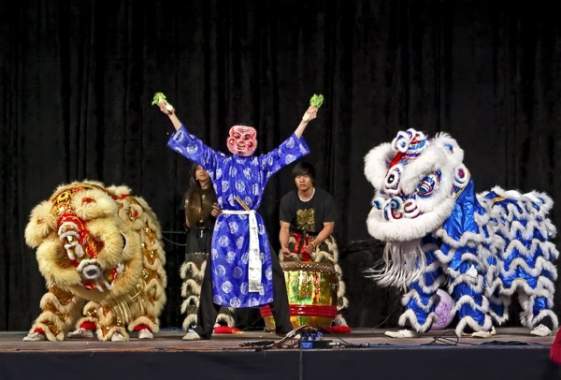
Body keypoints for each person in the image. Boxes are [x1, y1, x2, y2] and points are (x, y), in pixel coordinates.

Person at [157, 95, 319, 340]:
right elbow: (192, 145)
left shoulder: (260, 165)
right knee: (215, 273)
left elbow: (286, 149)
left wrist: (305, 120)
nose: (242, 143)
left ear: (253, 142)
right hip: (227, 228)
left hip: (252, 227)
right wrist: (171, 114)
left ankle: (284, 325)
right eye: (238, 138)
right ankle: (202, 328)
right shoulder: (218, 163)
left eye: (247, 139)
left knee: (273, 272)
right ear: (230, 141)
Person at [279, 161, 350, 332]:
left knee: (326, 260)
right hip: (297, 237)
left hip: (319, 237)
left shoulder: (324, 199)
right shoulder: (288, 200)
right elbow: (285, 228)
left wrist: (314, 244)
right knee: (284, 263)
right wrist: (284, 246)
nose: (301, 180)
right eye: (298, 177)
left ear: (312, 179)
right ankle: (285, 314)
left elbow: (328, 227)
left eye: (305, 176)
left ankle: (336, 313)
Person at [179, 164, 237, 338]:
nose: (202, 172)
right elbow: (187, 222)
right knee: (194, 277)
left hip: (215, 235)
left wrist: (218, 214)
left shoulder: (219, 192)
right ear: (194, 174)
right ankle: (194, 318)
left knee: (217, 276)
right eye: (198, 169)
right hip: (196, 237)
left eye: (205, 169)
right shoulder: (190, 194)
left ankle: (220, 319)